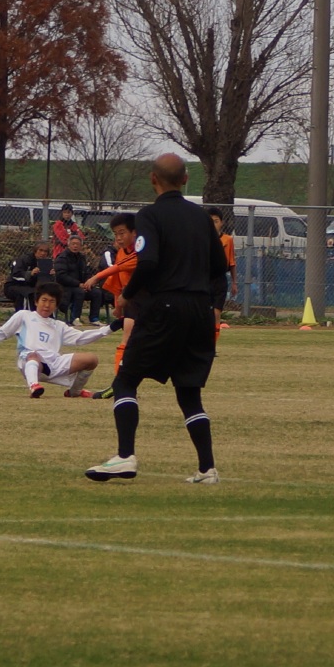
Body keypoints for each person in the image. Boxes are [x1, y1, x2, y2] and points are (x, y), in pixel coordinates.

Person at [86, 153, 229, 485]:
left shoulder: (149, 216)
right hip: (200, 310)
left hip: (165, 307)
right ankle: (207, 469)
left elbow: (147, 262)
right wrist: (213, 305)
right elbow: (219, 269)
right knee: (189, 390)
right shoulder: (201, 218)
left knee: (125, 380)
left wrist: (127, 294)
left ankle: (125, 456)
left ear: (153, 179)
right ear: (185, 180)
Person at [0, 282, 119, 398]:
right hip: (30, 362)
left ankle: (75, 392)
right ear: (36, 301)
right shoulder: (24, 316)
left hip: (53, 364)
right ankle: (34, 386)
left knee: (91, 359)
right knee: (33, 355)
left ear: (56, 305)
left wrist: (109, 328)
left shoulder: (59, 325)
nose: (47, 305)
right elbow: (2, 333)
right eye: (44, 300)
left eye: (51, 301)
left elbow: (81, 338)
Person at [82, 213, 137, 399]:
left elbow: (118, 268)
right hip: (134, 303)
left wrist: (96, 277)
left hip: (150, 302)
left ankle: (122, 384)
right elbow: (117, 281)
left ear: (134, 232)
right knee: (127, 342)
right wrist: (118, 306)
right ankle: (120, 385)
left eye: (122, 233)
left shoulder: (142, 251)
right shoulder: (121, 252)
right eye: (115, 234)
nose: (118, 238)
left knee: (138, 346)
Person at [55, 235, 110, 325]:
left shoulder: (82, 257)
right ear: (69, 245)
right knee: (79, 292)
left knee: (97, 293)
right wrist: (78, 284)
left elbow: (86, 272)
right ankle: (75, 318)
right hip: (66, 288)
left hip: (80, 286)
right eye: (73, 244)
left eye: (77, 244)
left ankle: (94, 318)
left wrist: (88, 282)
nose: (75, 246)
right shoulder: (62, 257)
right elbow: (61, 276)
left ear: (81, 246)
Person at [207, 207, 239, 341]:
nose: (213, 224)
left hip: (220, 280)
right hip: (204, 279)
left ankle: (213, 342)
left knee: (216, 313)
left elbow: (232, 263)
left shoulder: (227, 240)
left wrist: (234, 283)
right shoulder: (202, 239)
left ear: (221, 223)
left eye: (216, 221)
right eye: (210, 221)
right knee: (205, 313)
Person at [3, 242, 52, 311]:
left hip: (32, 287)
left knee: (46, 293)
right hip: (14, 285)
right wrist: (30, 273)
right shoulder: (24, 259)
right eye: (40, 250)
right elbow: (15, 275)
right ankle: (24, 315)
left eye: (45, 251)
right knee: (28, 294)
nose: (43, 253)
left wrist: (52, 275)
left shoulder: (46, 262)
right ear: (35, 251)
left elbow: (44, 281)